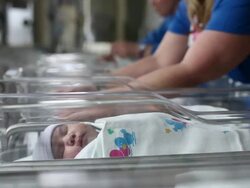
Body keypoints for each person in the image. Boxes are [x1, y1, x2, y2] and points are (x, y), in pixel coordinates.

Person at [110, 0, 250, 91]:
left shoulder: (237, 3)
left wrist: (103, 103)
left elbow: (191, 70)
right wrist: (97, 88)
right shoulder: (191, 5)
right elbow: (159, 61)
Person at [33, 111, 250, 160]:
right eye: (60, 150)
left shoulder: (106, 121)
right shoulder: (90, 160)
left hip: (219, 136)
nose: (68, 139)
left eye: (63, 131)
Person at [105, 0, 180, 59]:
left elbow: (175, 53)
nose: (151, 2)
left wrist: (137, 50)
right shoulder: (170, 19)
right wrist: (125, 49)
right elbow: (150, 40)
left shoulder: (185, 14)